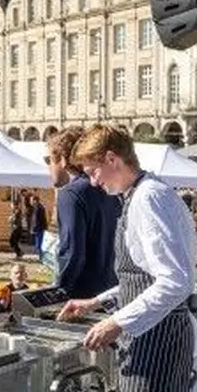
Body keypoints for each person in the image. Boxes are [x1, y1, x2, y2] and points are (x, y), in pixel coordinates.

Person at [57, 125, 197, 392]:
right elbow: (143, 276)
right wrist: (98, 301)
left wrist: (117, 321)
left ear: (112, 159)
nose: (92, 182)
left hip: (158, 341)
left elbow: (174, 280)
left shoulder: (148, 200)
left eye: (93, 171)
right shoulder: (145, 194)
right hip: (155, 335)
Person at [43, 126, 119, 299]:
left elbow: (72, 253)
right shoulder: (110, 188)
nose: (48, 167)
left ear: (63, 159)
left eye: (49, 160)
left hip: (82, 297)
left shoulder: (71, 194)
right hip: (112, 291)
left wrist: (58, 293)